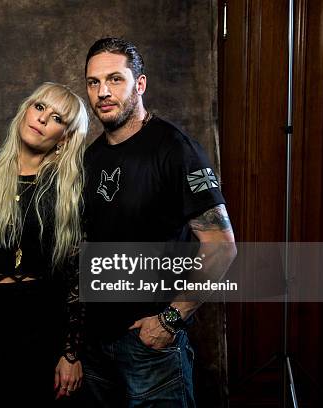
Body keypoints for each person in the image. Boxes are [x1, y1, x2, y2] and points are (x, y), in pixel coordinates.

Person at [81, 38, 237, 407]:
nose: (103, 92)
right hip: (97, 344)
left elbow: (222, 246)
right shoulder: (93, 155)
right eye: (93, 82)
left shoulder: (176, 149)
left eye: (115, 79)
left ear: (140, 84)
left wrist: (170, 319)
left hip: (149, 345)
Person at [0, 82, 88, 407]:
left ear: (65, 137)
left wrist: (71, 353)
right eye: (39, 107)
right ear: (26, 109)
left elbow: (77, 277)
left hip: (42, 315)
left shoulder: (68, 191)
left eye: (56, 118)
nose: (41, 119)